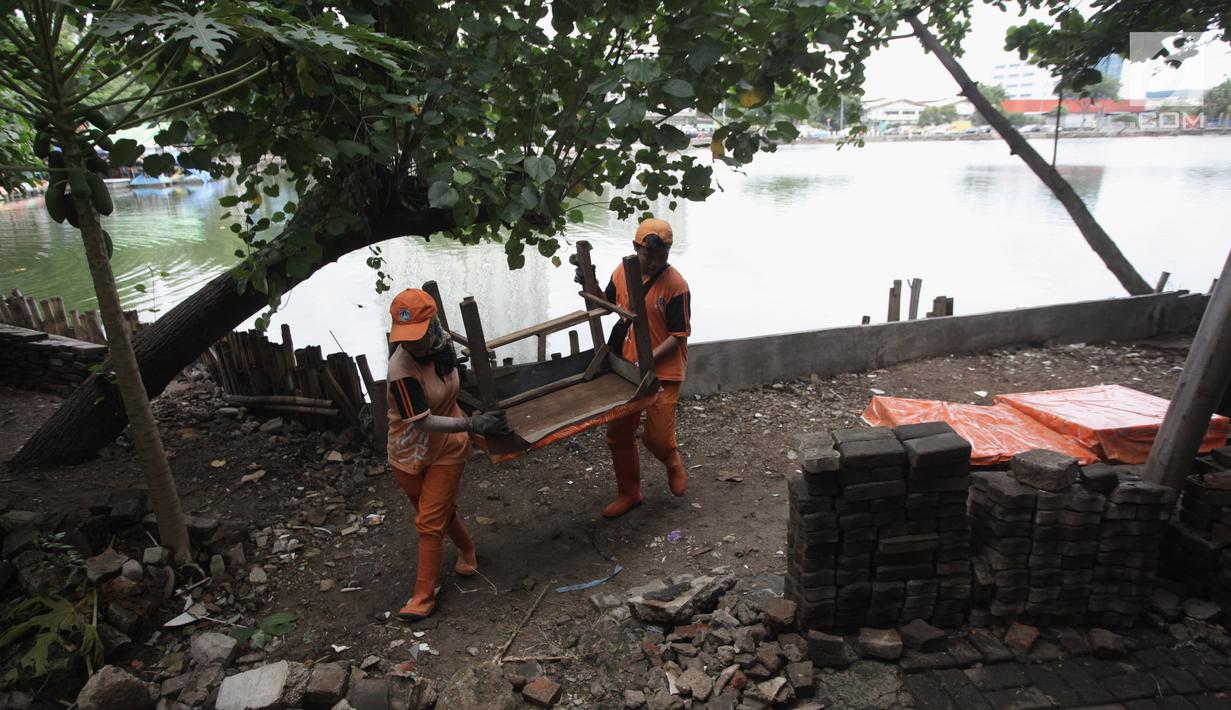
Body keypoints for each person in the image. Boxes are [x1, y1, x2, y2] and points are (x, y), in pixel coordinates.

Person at [385, 288, 510, 621]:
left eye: (417, 335)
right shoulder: (400, 369)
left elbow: (456, 388)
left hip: (448, 448)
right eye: (405, 337)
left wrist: (475, 417)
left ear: (434, 326)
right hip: (407, 453)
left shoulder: (445, 350)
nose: (410, 343)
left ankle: (423, 597)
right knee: (437, 511)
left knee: (428, 521)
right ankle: (467, 548)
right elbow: (422, 421)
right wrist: (473, 423)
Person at [601, 217, 692, 518]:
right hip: (629, 367)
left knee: (658, 438)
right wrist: (585, 282)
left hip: (663, 370)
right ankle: (629, 493)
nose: (653, 262)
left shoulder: (676, 285)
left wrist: (648, 358)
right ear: (635, 248)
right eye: (647, 255)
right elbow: (606, 304)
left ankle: (672, 458)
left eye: (661, 256)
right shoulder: (620, 272)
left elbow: (678, 337)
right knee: (619, 433)